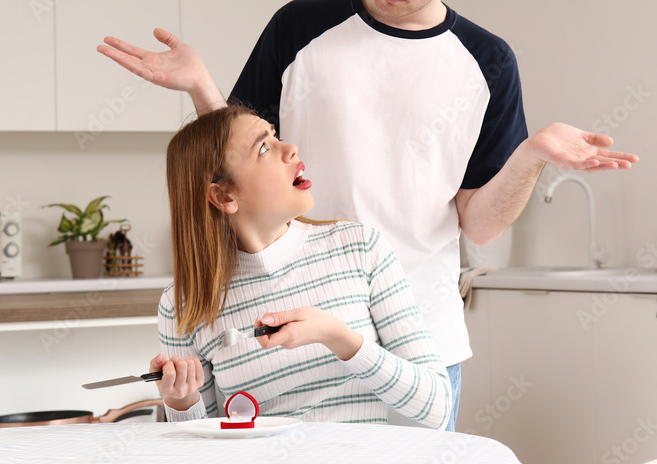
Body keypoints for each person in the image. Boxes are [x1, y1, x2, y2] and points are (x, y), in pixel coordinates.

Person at [101, 0, 638, 431]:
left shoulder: (488, 63)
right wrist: (201, 87)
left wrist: (531, 157)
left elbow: (479, 226)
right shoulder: (299, 29)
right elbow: (238, 158)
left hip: (418, 349)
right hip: (295, 334)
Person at [150, 105, 450, 429]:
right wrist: (181, 403)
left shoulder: (361, 248)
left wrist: (338, 338)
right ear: (224, 197)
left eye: (274, 135)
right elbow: (201, 446)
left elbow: (437, 408)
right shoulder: (183, 304)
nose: (290, 149)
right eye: (263, 147)